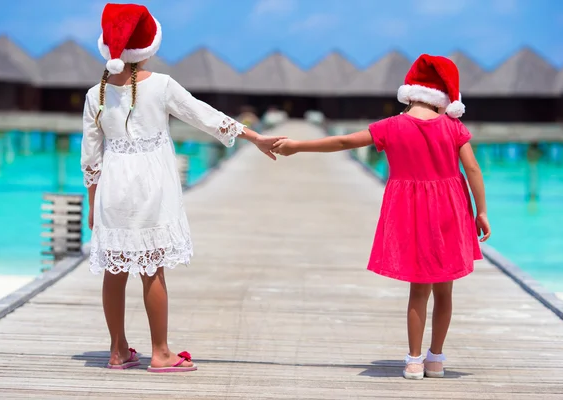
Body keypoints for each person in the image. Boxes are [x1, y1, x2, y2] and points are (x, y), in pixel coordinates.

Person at [80, 3, 284, 373]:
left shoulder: (96, 93)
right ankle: (160, 353)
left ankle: (117, 351)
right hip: (152, 186)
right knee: (152, 268)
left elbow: (91, 158)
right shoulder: (161, 85)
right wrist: (253, 136)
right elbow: (204, 117)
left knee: (115, 269)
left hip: (114, 187)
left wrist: (93, 204)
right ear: (147, 46)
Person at [272, 54, 491, 380]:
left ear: (410, 93)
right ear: (444, 98)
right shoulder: (453, 128)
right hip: (450, 211)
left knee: (419, 290)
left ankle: (414, 361)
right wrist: (482, 211)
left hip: (412, 213)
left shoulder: (392, 126)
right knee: (445, 291)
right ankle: (436, 360)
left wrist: (298, 146)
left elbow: (344, 141)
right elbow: (472, 169)